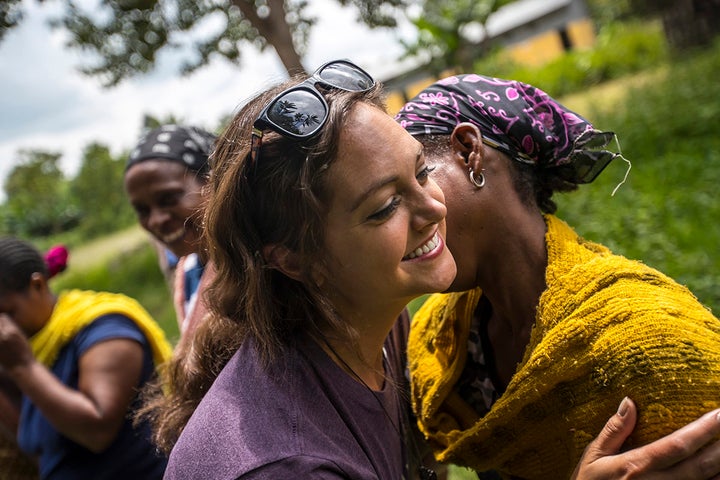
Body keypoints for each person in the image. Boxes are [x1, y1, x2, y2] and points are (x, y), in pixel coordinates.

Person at [146, 60, 720, 480]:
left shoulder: (382, 333)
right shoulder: (284, 465)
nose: (433, 208)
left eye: (420, 172)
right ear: (293, 260)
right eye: (383, 207)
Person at [395, 73, 720, 479]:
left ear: (468, 152)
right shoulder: (441, 341)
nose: (402, 222)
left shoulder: (647, 342)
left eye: (421, 175)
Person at [0, 237, 173, 479]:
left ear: (37, 285)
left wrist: (23, 366)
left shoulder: (106, 330)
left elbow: (97, 432)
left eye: (6, 313)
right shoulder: (34, 348)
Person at [124, 124, 217, 345]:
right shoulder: (188, 272)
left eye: (169, 199)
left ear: (213, 182)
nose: (156, 220)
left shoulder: (256, 268)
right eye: (143, 210)